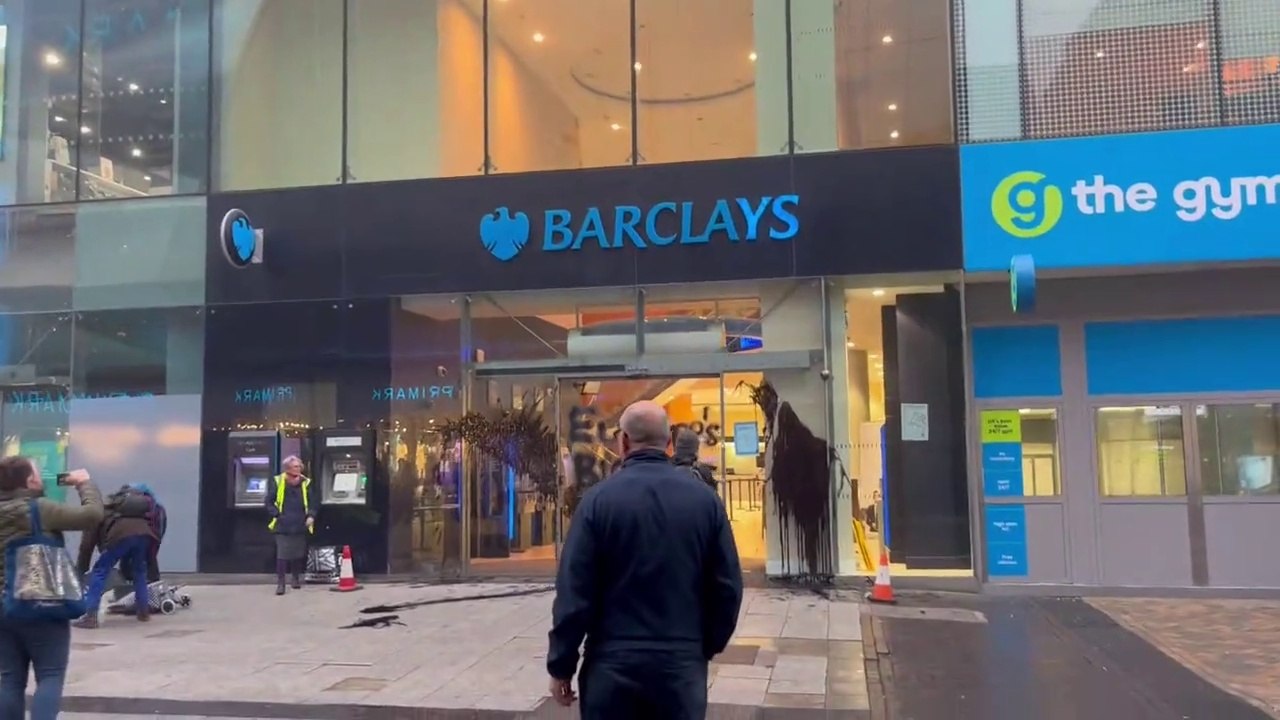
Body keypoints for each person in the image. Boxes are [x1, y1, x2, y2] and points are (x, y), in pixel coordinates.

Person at [547, 400, 743, 719]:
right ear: (669, 443)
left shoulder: (597, 502)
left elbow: (574, 592)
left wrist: (561, 665)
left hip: (611, 666)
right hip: (680, 667)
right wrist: (703, 646)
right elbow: (728, 587)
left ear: (623, 442)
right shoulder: (705, 502)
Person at [0, 460, 102, 720]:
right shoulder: (40, 509)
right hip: (40, 604)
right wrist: (84, 483)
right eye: (37, 473)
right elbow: (92, 516)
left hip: (3, 608)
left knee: (9, 679)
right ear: (30, 481)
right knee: (50, 675)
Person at [73, 485, 162, 627]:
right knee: (139, 572)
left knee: (100, 571)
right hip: (145, 535)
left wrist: (81, 570)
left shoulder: (98, 513)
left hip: (121, 536)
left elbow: (86, 545)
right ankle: (143, 612)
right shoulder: (130, 508)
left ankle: (90, 616)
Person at [266, 456, 317, 595]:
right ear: (287, 468)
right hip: (283, 524)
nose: (299, 469)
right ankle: (281, 583)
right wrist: (277, 515)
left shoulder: (306, 483)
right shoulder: (278, 481)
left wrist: (311, 516)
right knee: (282, 555)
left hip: (300, 522)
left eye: (299, 466)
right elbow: (269, 502)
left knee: (297, 553)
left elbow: (313, 502)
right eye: (295, 466)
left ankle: (295, 578)